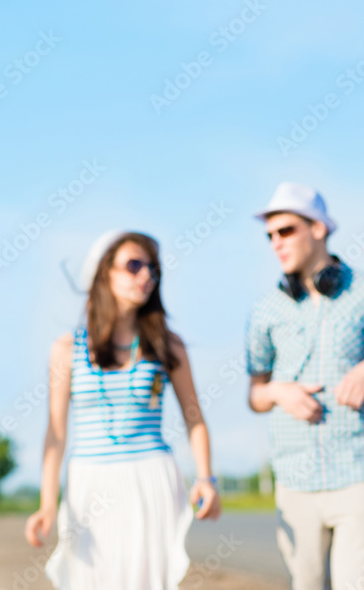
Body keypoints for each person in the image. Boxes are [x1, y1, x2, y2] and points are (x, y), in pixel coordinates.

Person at [245, 182, 364, 590]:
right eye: (270, 235)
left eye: (286, 230)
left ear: (319, 228)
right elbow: (256, 394)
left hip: (359, 470)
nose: (276, 242)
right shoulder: (264, 310)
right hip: (293, 478)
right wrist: (277, 392)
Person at [25, 230, 221, 590]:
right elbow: (55, 431)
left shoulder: (167, 343)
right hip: (89, 481)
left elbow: (194, 419)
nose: (146, 275)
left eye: (152, 268)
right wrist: (47, 503)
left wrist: (206, 478)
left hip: (151, 479)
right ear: (104, 273)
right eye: (134, 265)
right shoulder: (66, 348)